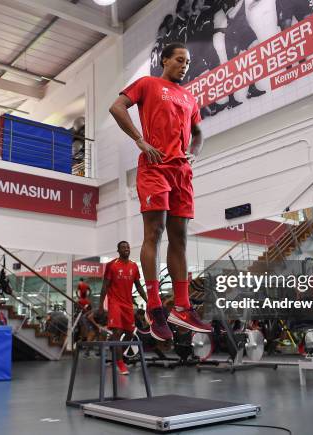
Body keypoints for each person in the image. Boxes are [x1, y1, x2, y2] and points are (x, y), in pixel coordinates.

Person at [109, 42, 213, 343]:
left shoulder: (189, 97)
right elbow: (116, 108)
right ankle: (154, 306)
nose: (185, 65)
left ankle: (181, 306)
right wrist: (140, 141)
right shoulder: (148, 84)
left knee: (180, 236)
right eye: (179, 60)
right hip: (155, 166)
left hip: (182, 171)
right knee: (154, 232)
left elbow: (198, 133)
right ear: (164, 60)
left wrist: (194, 152)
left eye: (188, 61)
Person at [98, 241, 148, 375]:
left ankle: (117, 352)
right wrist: (100, 305)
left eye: (128, 247)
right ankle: (120, 362)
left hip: (127, 304)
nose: (126, 249)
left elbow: (138, 286)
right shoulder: (111, 265)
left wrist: (148, 301)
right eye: (123, 247)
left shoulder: (134, 266)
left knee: (130, 333)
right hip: (115, 303)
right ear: (118, 250)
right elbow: (105, 286)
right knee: (117, 332)